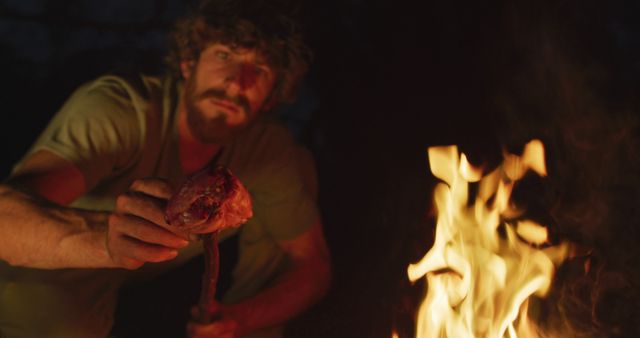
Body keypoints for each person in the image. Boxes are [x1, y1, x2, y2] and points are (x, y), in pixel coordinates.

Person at [0, 0, 332, 337]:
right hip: (51, 265)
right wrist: (107, 237)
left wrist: (239, 320)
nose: (236, 83)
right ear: (189, 64)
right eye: (224, 56)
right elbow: (4, 220)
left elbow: (311, 266)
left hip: (143, 281)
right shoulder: (122, 111)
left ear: (271, 97)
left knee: (294, 172)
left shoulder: (266, 148)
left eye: (259, 69)